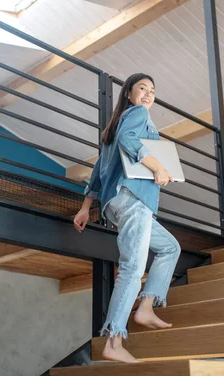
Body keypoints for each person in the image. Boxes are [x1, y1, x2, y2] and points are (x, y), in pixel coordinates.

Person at [73, 73, 181, 363]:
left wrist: (86, 207)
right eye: (142, 88)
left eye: (152, 91)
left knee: (170, 248)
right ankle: (114, 341)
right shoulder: (136, 115)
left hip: (116, 202)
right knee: (133, 267)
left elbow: (98, 171)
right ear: (128, 94)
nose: (147, 94)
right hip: (133, 198)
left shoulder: (112, 127)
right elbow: (129, 139)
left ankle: (146, 307)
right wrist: (158, 166)